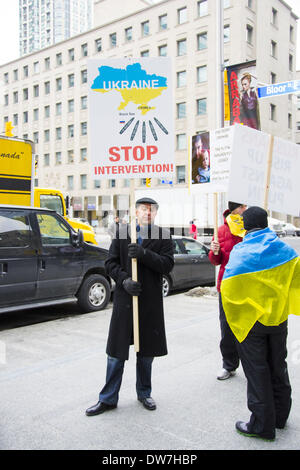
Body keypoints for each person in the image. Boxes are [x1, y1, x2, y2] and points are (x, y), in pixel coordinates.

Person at [85, 197, 174, 416]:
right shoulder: (123, 233)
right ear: (136, 212)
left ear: (156, 213)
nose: (148, 213)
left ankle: (144, 392)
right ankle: (108, 398)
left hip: (150, 301)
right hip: (126, 301)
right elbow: (110, 263)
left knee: (146, 353)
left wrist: (144, 254)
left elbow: (167, 264)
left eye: (152, 209)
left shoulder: (163, 235)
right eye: (143, 209)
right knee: (116, 353)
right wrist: (124, 280)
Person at [221, 206, 300, 441]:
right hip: (277, 319)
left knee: (257, 371)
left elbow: (228, 287)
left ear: (245, 225)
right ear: (266, 223)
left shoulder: (241, 251)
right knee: (278, 365)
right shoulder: (285, 249)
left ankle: (261, 425)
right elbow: (295, 280)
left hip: (251, 322)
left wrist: (238, 312)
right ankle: (280, 417)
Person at [209, 201, 247, 380]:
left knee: (249, 328)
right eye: (241, 207)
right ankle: (229, 365)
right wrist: (215, 251)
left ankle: (251, 366)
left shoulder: (250, 227)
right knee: (227, 328)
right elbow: (216, 261)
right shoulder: (221, 230)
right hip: (227, 286)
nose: (244, 210)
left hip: (248, 286)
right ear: (234, 209)